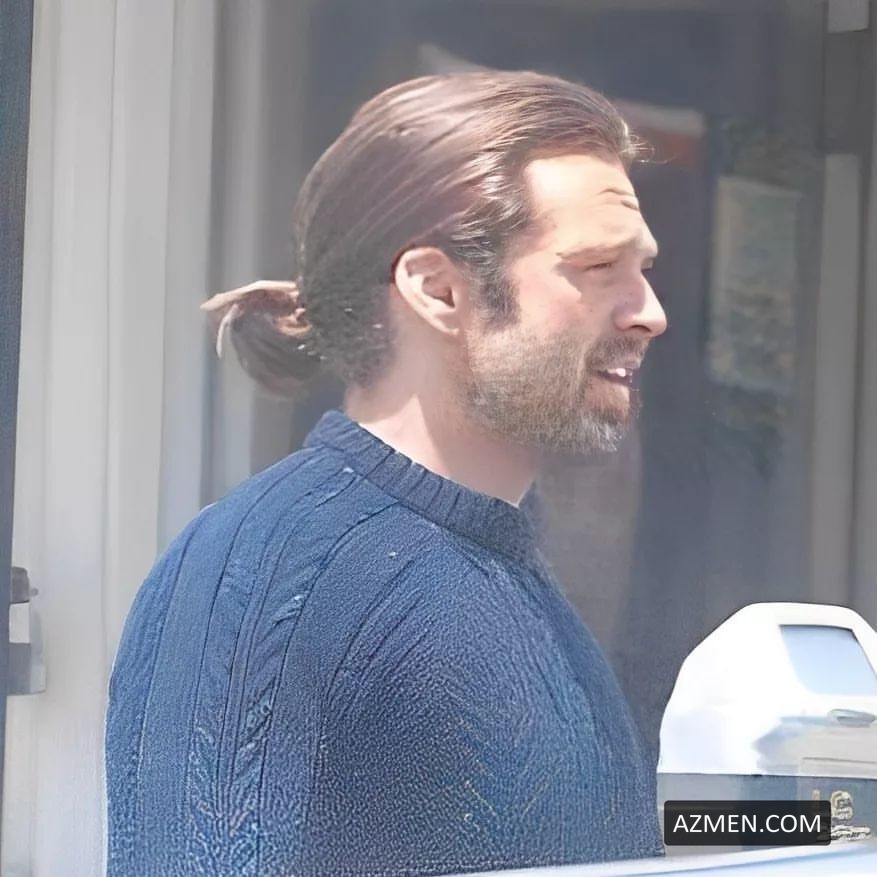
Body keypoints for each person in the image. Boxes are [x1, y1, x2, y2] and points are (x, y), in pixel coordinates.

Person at [105, 70, 667, 877]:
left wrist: (794, 820)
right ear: (438, 290)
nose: (648, 312)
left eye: (639, 269)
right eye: (597, 267)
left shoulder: (500, 559)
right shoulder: (272, 577)